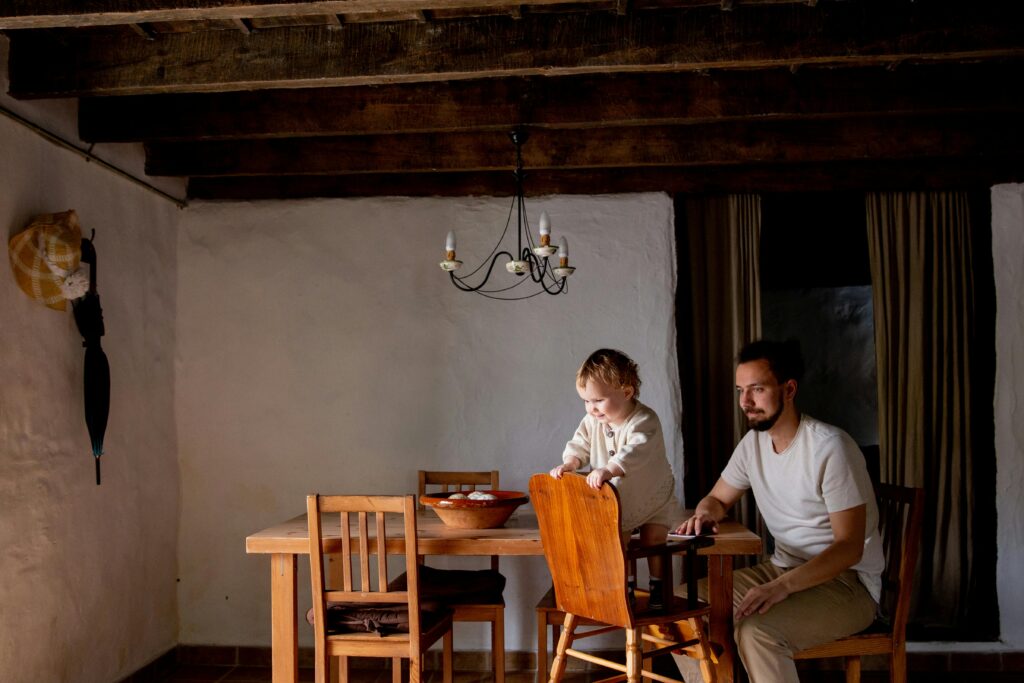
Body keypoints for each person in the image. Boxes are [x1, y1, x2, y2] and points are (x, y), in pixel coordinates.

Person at [673, 339, 883, 682]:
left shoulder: (830, 448)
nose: (746, 401)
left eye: (757, 389)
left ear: (789, 389)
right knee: (682, 609)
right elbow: (718, 498)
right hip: (782, 568)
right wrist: (706, 513)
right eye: (741, 390)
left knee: (757, 634)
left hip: (848, 584)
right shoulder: (753, 443)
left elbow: (849, 547)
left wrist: (782, 586)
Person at [549, 348, 680, 609]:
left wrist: (608, 469)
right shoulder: (592, 420)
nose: (592, 408)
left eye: (597, 400)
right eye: (586, 401)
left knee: (653, 540)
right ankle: (626, 588)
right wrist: (570, 463)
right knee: (618, 542)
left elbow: (636, 450)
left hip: (651, 492)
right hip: (620, 497)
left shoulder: (644, 420)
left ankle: (658, 587)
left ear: (627, 392)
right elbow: (580, 443)